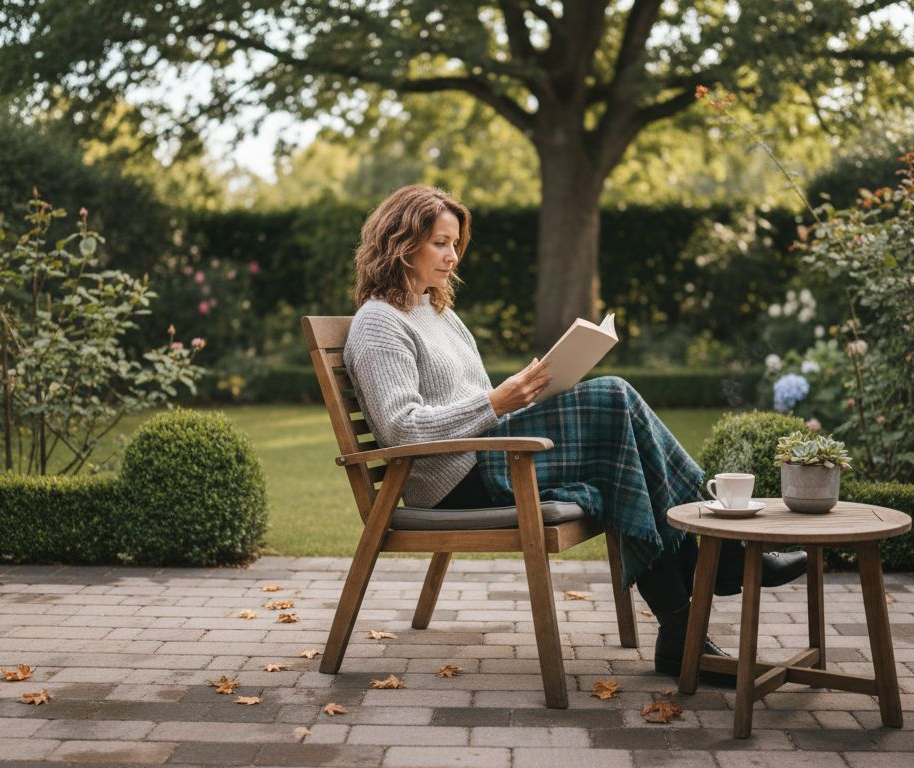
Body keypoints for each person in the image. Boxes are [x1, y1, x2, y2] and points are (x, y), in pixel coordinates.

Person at [342, 185, 806, 678]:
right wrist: (497, 401)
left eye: (456, 243)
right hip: (454, 483)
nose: (453, 256)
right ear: (401, 241)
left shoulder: (439, 314)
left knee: (619, 452)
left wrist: (531, 394)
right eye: (440, 242)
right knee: (614, 397)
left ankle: (681, 634)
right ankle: (725, 559)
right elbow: (400, 429)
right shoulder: (379, 323)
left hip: (490, 456)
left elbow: (477, 407)